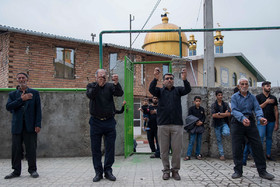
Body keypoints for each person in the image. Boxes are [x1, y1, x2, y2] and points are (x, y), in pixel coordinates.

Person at [149, 67, 191, 181]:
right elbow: (151, 89)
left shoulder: (178, 90)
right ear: (163, 81)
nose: (169, 80)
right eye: (167, 78)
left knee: (177, 150)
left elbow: (187, 89)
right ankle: (166, 171)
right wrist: (155, 78)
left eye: (171, 78)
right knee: (163, 150)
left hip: (177, 125)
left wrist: (185, 79)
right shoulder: (160, 91)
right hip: (163, 125)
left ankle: (175, 171)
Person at [231, 78, 274, 180]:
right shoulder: (234, 97)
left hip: (250, 122)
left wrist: (260, 118)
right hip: (237, 122)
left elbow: (257, 108)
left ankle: (262, 171)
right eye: (242, 84)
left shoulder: (252, 97)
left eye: (246, 84)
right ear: (238, 86)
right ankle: (238, 171)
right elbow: (234, 110)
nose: (244, 86)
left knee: (257, 145)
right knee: (237, 147)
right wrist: (242, 118)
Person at [86, 70, 124, 182]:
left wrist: (116, 83)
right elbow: (90, 95)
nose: (102, 78)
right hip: (95, 122)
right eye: (100, 76)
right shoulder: (91, 86)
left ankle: (108, 171)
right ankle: (98, 172)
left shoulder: (110, 86)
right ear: (96, 77)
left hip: (109, 121)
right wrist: (98, 85)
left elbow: (119, 93)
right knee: (96, 149)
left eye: (104, 76)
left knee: (110, 148)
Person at [5, 72, 42, 179]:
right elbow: (9, 107)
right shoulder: (13, 95)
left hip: (30, 126)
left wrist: (38, 124)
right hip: (17, 126)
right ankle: (16, 171)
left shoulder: (34, 93)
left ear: (27, 79)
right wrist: (22, 99)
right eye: (19, 78)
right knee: (16, 149)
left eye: (23, 77)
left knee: (31, 148)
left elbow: (38, 110)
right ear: (17, 80)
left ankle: (33, 170)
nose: (21, 79)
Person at [256, 81, 279, 161]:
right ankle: (259, 157)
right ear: (263, 87)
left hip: (271, 120)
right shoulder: (258, 97)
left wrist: (277, 123)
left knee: (269, 137)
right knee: (261, 137)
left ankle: (268, 155)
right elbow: (257, 108)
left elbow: (276, 110)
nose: (269, 87)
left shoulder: (273, 98)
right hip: (261, 120)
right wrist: (266, 102)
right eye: (267, 86)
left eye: (269, 86)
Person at [211, 90, 231, 161]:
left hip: (224, 123)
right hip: (217, 124)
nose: (220, 96)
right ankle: (222, 154)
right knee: (219, 140)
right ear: (216, 96)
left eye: (221, 95)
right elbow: (214, 115)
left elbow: (229, 114)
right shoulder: (213, 105)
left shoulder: (225, 104)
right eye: (219, 95)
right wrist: (224, 114)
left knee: (226, 133)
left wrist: (219, 114)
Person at [184, 96, 205, 161]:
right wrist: (196, 122)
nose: (198, 102)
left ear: (200, 102)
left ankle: (197, 154)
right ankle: (188, 155)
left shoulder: (202, 109)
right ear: (194, 102)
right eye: (196, 101)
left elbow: (204, 117)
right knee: (192, 141)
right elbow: (189, 117)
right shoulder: (191, 109)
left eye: (199, 101)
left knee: (199, 141)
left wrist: (201, 122)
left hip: (200, 127)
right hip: (193, 127)